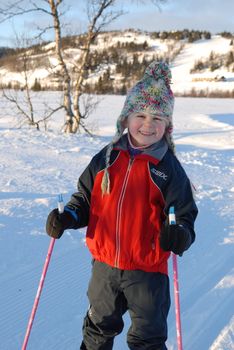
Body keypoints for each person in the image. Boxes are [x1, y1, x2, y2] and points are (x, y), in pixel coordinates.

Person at [46, 61, 198, 350]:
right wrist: (68, 217)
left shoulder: (168, 169)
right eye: (140, 114)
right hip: (104, 269)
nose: (148, 124)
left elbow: (184, 216)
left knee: (147, 339)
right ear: (125, 119)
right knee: (96, 332)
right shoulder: (106, 158)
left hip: (148, 272)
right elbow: (86, 198)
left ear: (168, 126)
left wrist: (179, 234)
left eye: (158, 117)